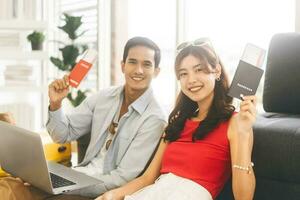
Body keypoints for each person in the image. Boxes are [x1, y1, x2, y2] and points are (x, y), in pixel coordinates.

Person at [0, 36, 167, 200]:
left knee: (11, 191)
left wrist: (66, 186)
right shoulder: (103, 97)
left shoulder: (154, 119)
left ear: (156, 71)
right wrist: (56, 104)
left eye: (147, 64)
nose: (138, 70)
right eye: (132, 62)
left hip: (97, 190)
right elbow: (62, 135)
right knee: (8, 186)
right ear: (123, 66)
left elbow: (122, 179)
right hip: (77, 177)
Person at [96, 38, 256, 200]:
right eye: (183, 74)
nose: (191, 80)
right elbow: (147, 178)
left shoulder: (236, 124)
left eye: (199, 70)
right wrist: (111, 195)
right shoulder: (177, 122)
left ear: (217, 71)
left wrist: (243, 134)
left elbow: (244, 197)